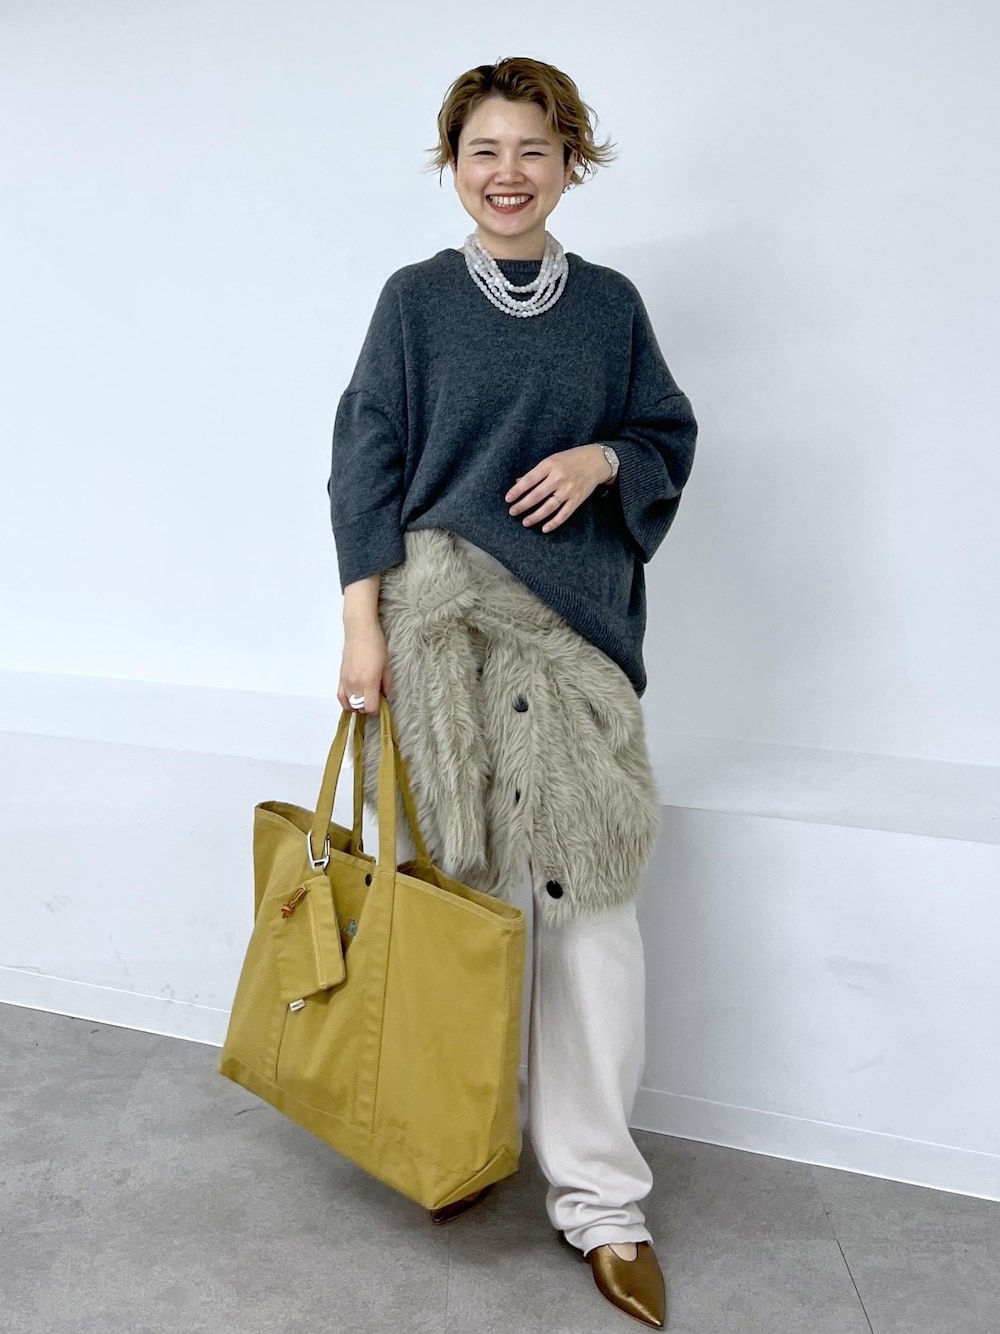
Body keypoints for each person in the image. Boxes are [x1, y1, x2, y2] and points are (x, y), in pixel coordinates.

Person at [327, 56, 697, 1331]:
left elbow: (666, 433)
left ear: (569, 162)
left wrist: (605, 458)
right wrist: (361, 627)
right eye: (484, 149)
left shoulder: (610, 306)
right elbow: (364, 459)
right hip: (436, 639)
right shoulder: (416, 300)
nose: (507, 172)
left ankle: (602, 1201)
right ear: (454, 163)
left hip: (573, 638)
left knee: (589, 905)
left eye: (533, 149)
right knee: (461, 899)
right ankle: (459, 1135)